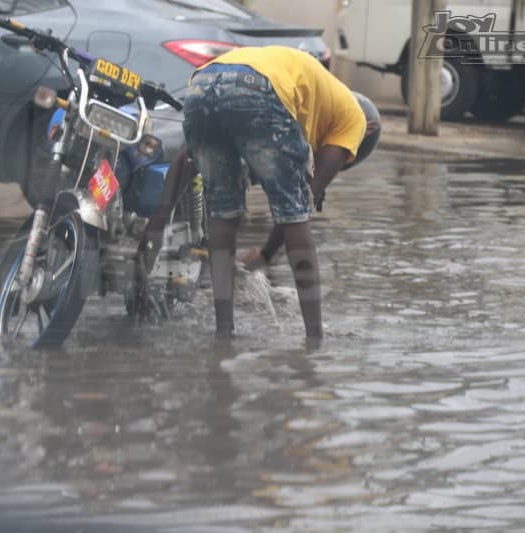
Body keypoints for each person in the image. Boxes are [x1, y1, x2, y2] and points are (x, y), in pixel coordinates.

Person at [139, 45, 380, 340]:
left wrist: (160, 216)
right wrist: (264, 256)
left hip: (203, 82)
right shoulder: (355, 119)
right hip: (261, 87)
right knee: (295, 216)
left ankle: (223, 333)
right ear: (367, 132)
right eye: (347, 157)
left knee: (222, 215)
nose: (340, 160)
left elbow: (187, 159)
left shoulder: (311, 102)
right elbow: (299, 207)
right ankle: (315, 341)